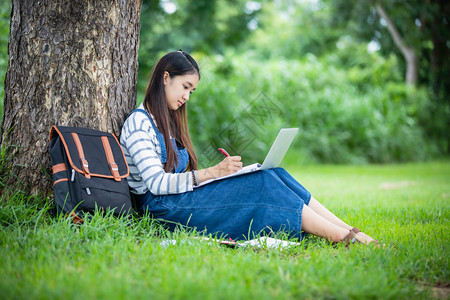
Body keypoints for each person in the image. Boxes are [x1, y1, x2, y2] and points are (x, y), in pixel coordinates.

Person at [120, 50, 379, 246]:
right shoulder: (139, 123)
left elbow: (177, 178)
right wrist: (213, 173)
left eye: (192, 90)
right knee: (263, 183)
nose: (187, 96)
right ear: (166, 78)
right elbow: (156, 184)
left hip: (179, 198)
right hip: (163, 209)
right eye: (185, 87)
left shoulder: (166, 120)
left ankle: (349, 229)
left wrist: (223, 175)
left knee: (275, 174)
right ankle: (343, 237)